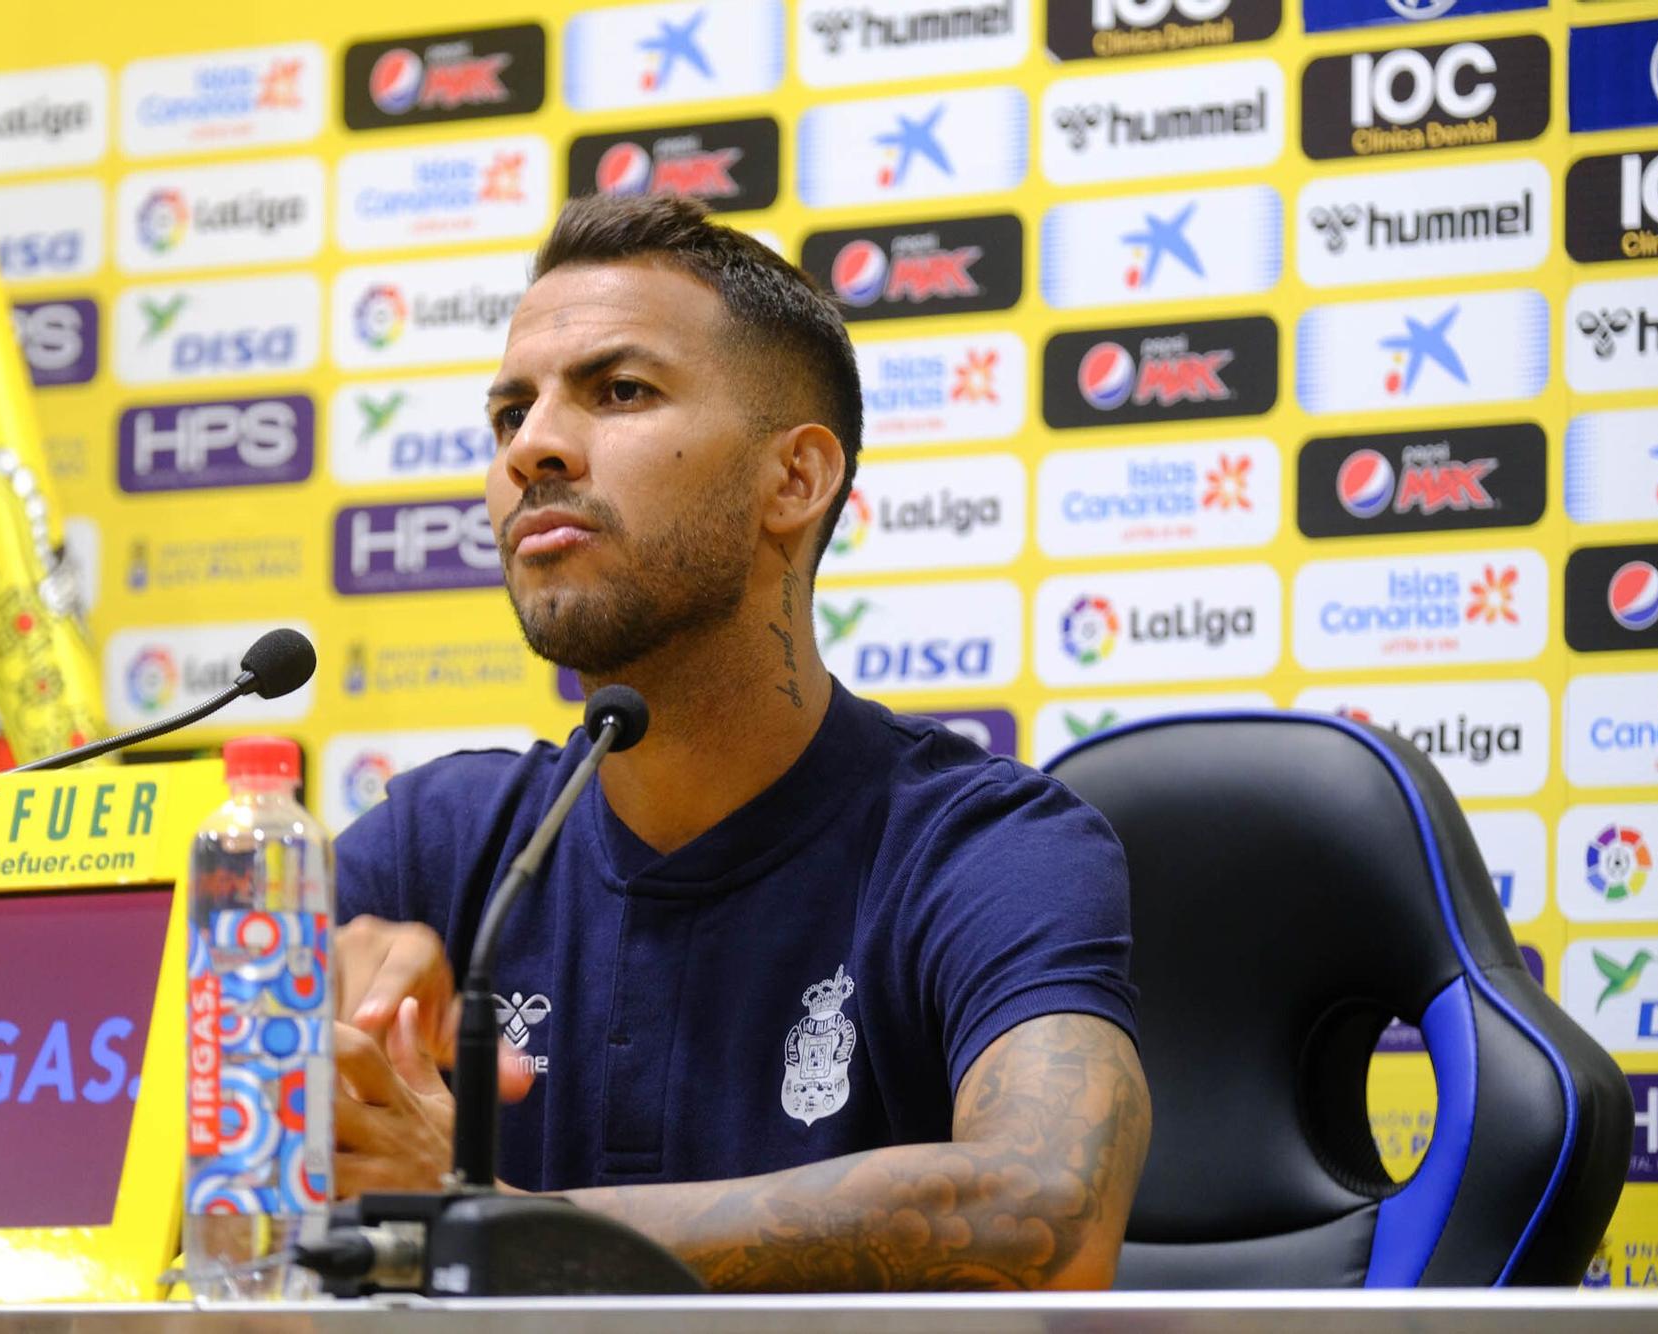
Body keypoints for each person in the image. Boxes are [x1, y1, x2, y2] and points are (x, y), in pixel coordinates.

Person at [327, 193, 1150, 1291]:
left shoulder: (984, 843)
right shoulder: (434, 846)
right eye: (507, 415)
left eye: (619, 391)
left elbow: (1046, 1209)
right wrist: (285, 1053)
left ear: (794, 479)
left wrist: (499, 1228)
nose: (533, 447)